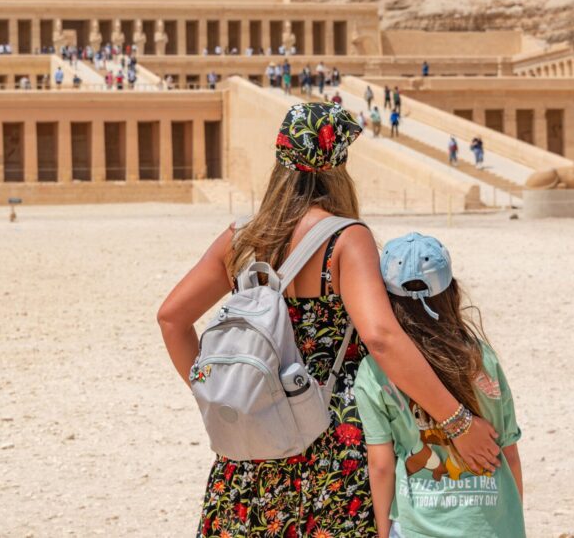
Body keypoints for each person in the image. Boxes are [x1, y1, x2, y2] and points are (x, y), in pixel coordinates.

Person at [157, 103, 502, 537]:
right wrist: (457, 422)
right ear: (338, 166)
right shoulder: (345, 238)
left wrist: (221, 392)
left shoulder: (241, 238)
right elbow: (381, 337)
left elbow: (171, 318)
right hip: (330, 444)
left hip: (253, 439)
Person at [355, 233, 524, 538]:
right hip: (488, 527)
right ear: (452, 291)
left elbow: (380, 465)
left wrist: (382, 531)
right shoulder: (480, 360)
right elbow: (508, 450)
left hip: (417, 528)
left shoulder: (374, 372)